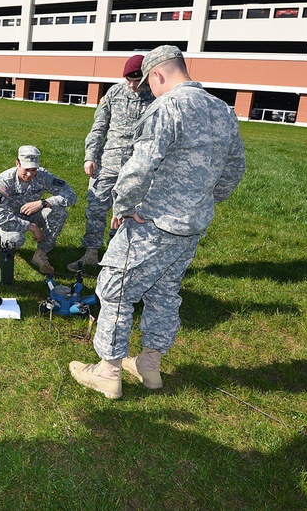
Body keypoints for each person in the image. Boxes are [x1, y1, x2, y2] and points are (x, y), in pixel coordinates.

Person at [69, 45, 246, 399]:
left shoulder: (168, 106)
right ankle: (149, 365)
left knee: (115, 290)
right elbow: (235, 168)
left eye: (151, 84)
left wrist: (123, 205)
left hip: (152, 222)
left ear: (158, 74)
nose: (151, 91)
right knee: (164, 293)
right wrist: (202, 201)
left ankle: (108, 371)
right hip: (191, 225)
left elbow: (139, 165)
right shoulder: (222, 109)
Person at [68, 55, 155, 271]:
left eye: (138, 80)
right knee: (96, 209)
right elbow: (99, 127)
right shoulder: (114, 93)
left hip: (137, 167)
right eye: (129, 79)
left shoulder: (156, 98)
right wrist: (90, 156)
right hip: (107, 163)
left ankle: (116, 256)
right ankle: (90, 254)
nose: (133, 85)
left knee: (127, 213)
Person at [0, 145, 78, 275]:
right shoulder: (4, 181)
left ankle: (41, 254)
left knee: (59, 211)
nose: (30, 174)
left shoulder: (42, 175)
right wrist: (31, 227)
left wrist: (44, 203)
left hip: (33, 214)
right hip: (10, 217)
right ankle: (4, 254)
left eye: (34, 170)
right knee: (14, 240)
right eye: (26, 169)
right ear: (17, 163)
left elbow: (71, 195)